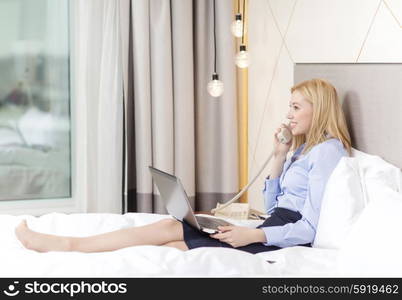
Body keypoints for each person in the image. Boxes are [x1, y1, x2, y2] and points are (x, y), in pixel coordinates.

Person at [15, 78, 351, 253]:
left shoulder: (327, 152)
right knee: (174, 242)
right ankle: (74, 248)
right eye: (289, 107)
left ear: (317, 109)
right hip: (270, 226)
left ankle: (67, 246)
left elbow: (310, 226)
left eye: (295, 107)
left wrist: (255, 234)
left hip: (279, 238)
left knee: (168, 231)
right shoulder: (304, 148)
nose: (288, 115)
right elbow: (276, 207)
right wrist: (279, 156)